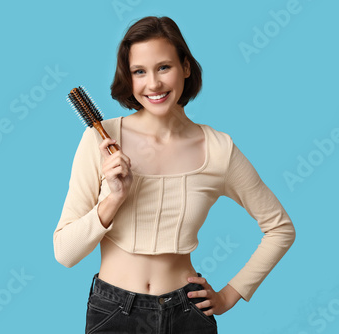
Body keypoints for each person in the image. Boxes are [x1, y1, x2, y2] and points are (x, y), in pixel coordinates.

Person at [53, 16, 296, 334]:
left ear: (186, 67)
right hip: (114, 313)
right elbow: (65, 253)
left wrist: (229, 295)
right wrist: (113, 198)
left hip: (188, 315)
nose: (153, 84)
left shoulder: (218, 149)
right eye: (140, 72)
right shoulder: (101, 141)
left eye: (163, 67)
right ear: (129, 77)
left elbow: (280, 229)